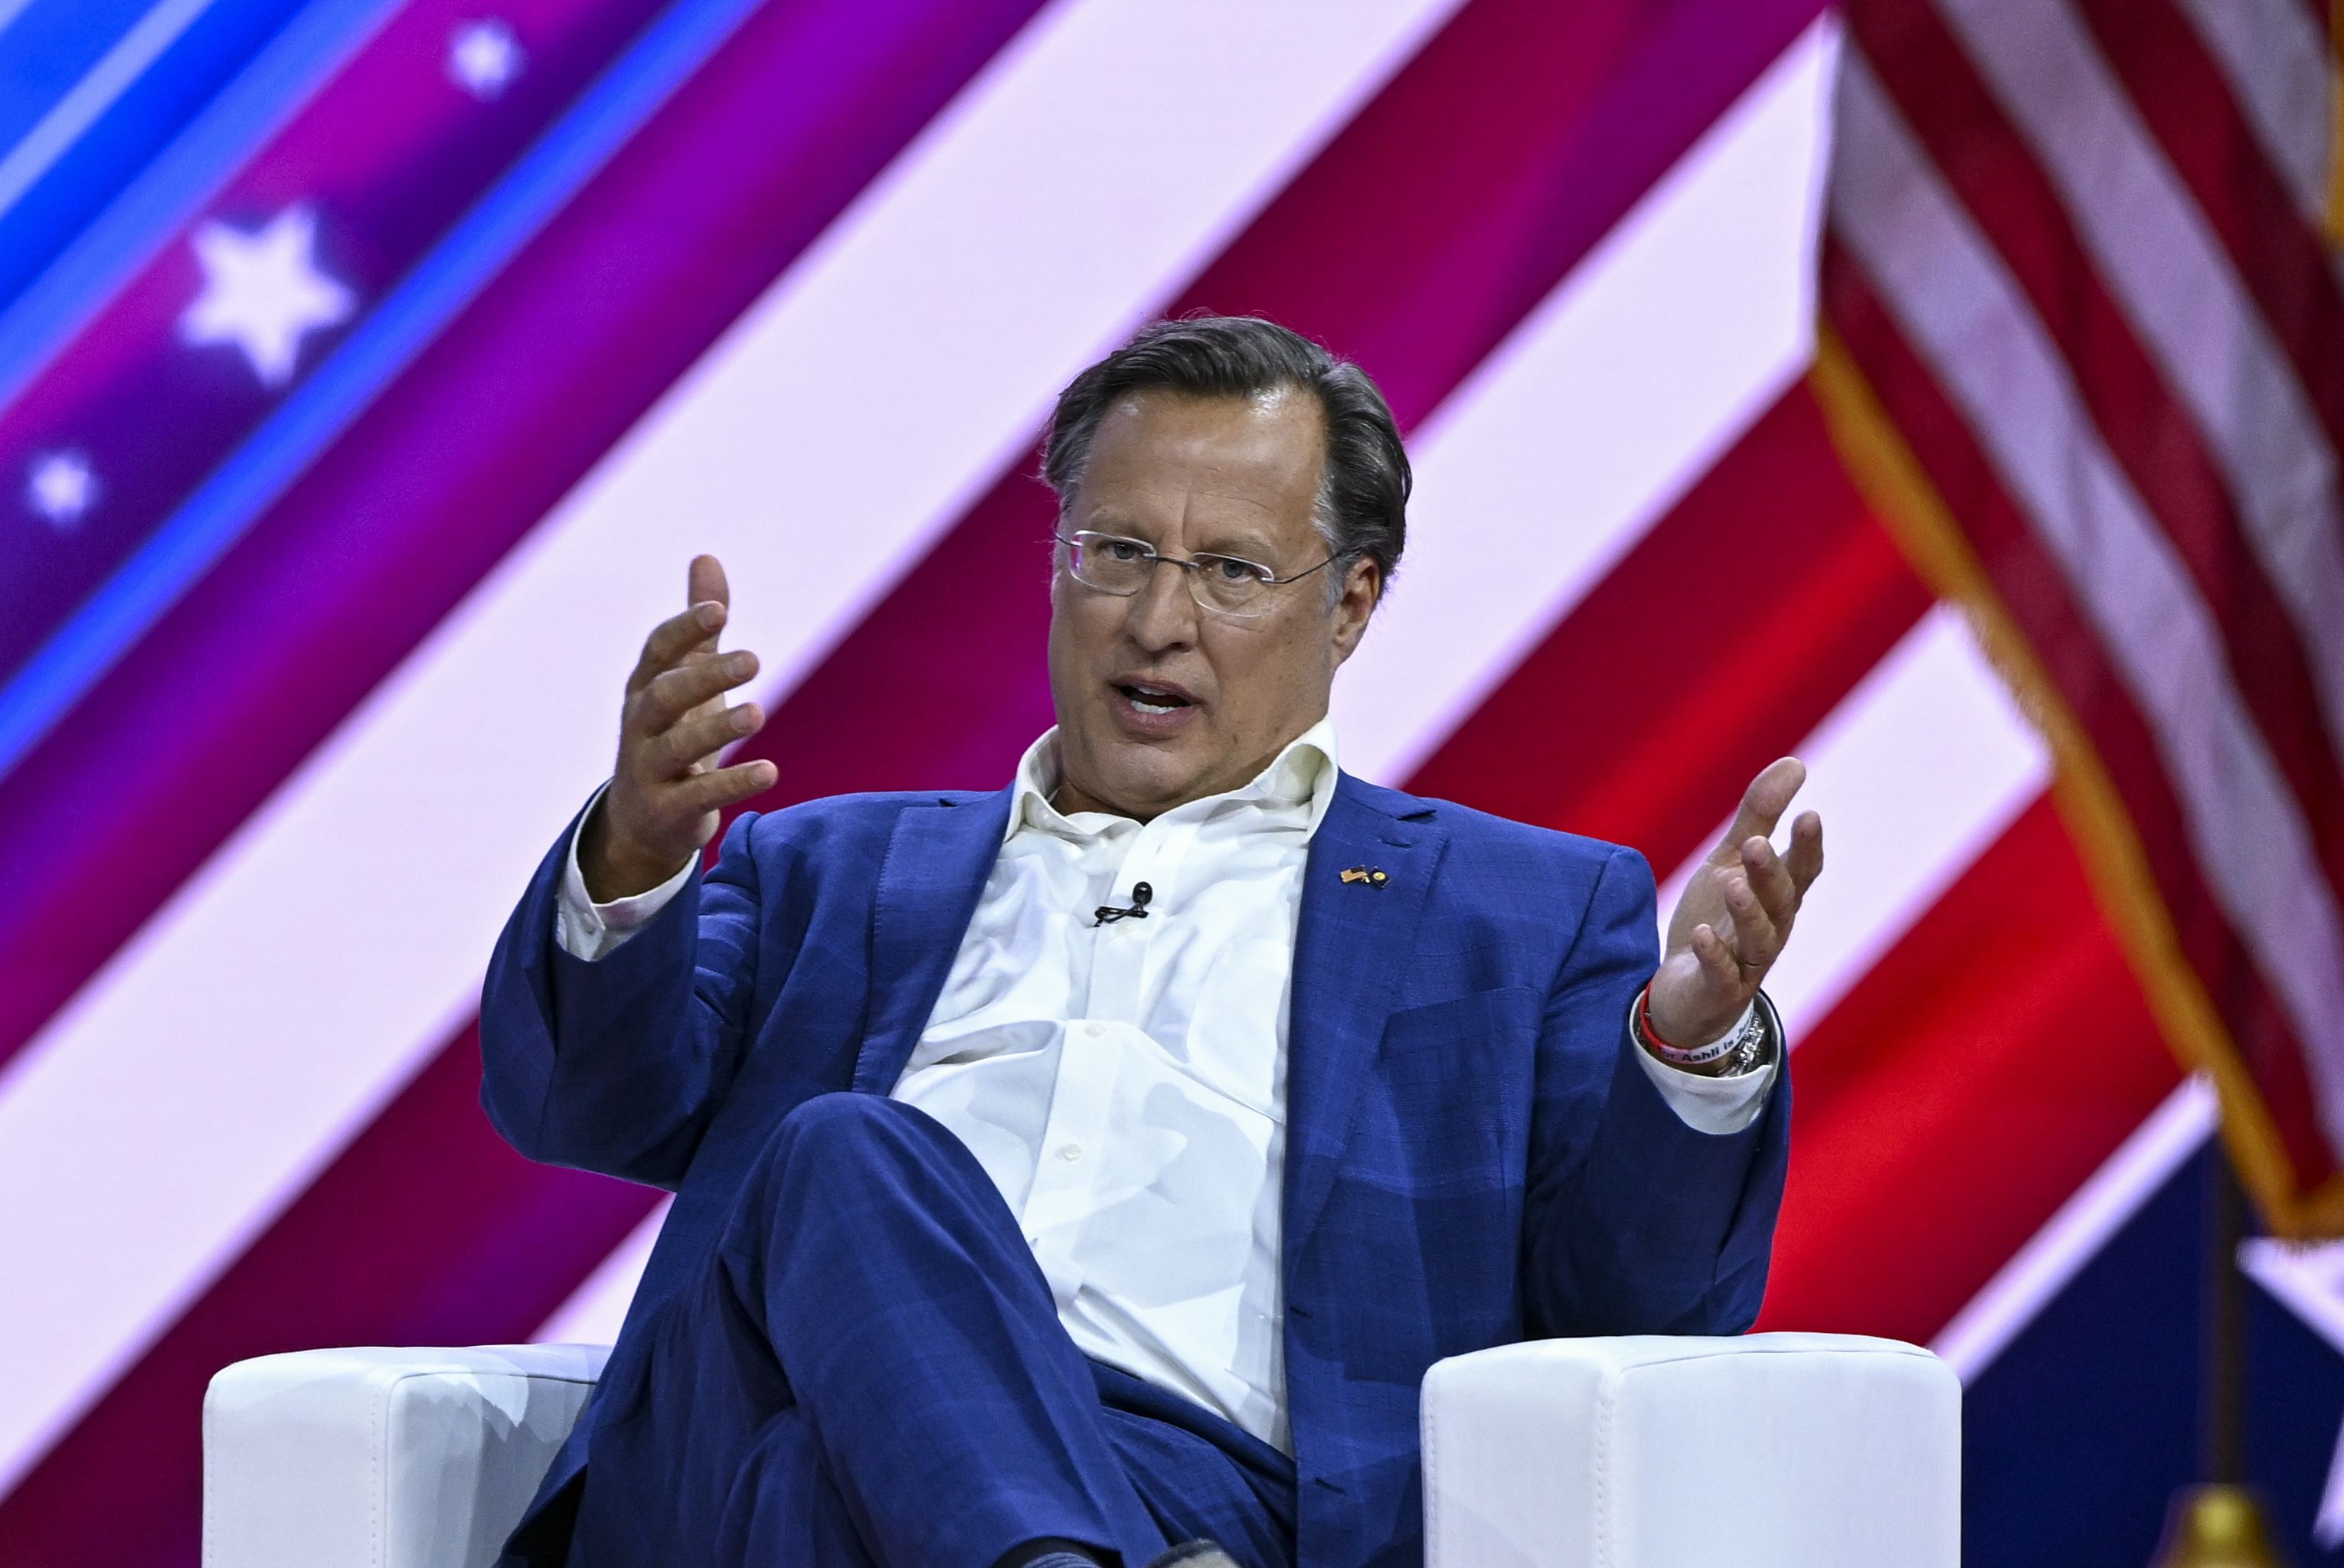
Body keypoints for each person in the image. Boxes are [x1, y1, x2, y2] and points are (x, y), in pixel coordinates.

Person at [480, 316, 1821, 1568]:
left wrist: (1687, 1049)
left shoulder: (1515, 913)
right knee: (840, 1152)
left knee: (810, 1492)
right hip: (749, 1433)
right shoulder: (828, 870)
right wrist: (639, 862)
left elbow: (1640, 1305)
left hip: (1187, 1488)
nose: (1156, 618)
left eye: (1230, 571)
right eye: (1116, 551)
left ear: (1350, 604)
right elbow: (577, 1107)